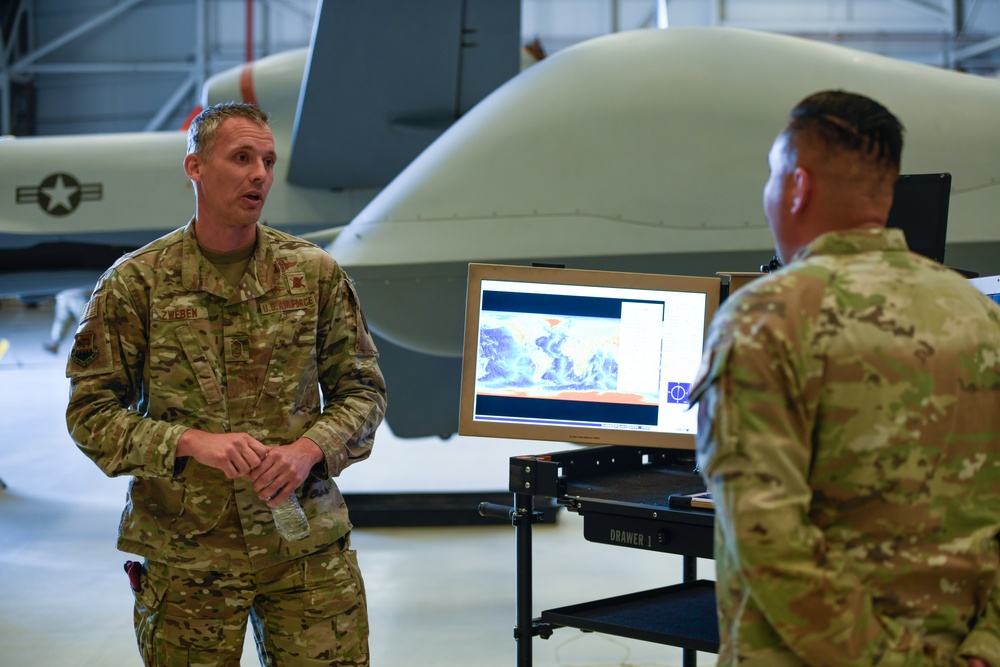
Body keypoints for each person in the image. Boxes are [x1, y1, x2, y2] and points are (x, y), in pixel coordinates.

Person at [65, 102, 386, 666]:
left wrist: (308, 450)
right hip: (188, 560)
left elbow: (363, 391)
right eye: (241, 158)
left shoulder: (313, 273)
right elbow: (90, 414)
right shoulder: (136, 283)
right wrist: (188, 442)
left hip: (305, 550)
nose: (259, 174)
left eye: (266, 160)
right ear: (195, 167)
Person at [690, 90, 1000, 666]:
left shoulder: (766, 319)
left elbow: (767, 541)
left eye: (771, 177)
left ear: (797, 187)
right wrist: (987, 647)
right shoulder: (981, 314)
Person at [43, 285, 91, 353]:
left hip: (77, 294)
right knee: (61, 321)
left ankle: (89, 345)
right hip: (62, 294)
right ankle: (55, 343)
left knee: (84, 321)